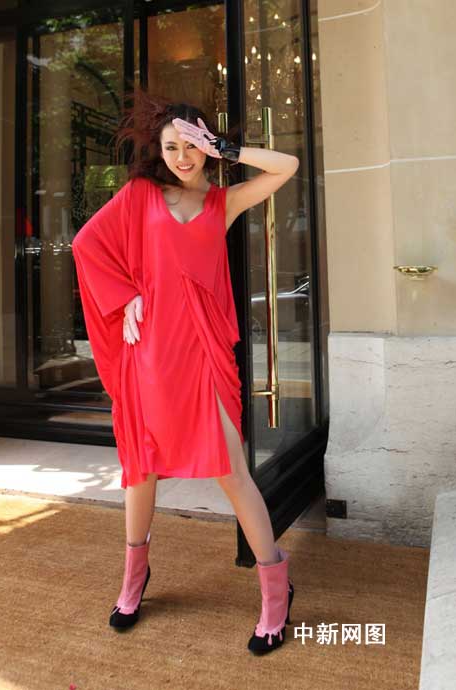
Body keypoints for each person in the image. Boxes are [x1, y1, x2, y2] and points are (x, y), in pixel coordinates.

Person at [71, 89, 299, 655]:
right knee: (141, 469)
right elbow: (86, 244)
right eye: (171, 146)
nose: (181, 156)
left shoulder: (224, 202)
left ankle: (276, 590)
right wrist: (124, 295)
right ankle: (134, 578)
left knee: (231, 471)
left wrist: (226, 149)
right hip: (151, 351)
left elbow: (287, 167)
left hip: (203, 352)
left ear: (205, 145)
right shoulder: (140, 194)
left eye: (191, 145)